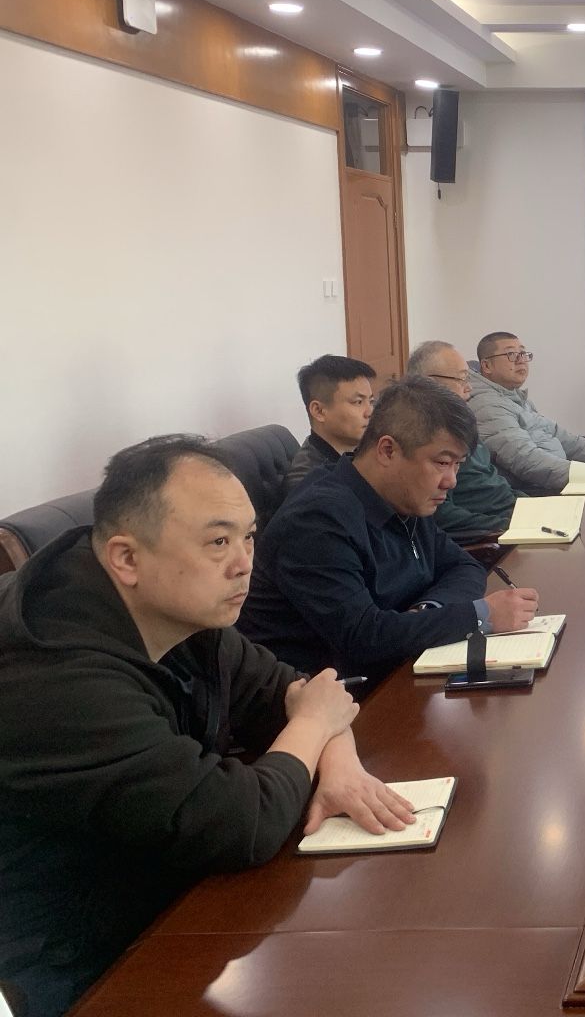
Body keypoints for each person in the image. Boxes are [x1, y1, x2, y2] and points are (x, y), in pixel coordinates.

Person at [0, 436, 414, 1017]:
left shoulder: (175, 605)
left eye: (248, 536)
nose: (245, 563)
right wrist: (315, 724)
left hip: (167, 891)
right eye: (218, 541)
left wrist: (337, 758)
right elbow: (242, 823)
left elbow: (303, 692)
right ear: (126, 558)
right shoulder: (56, 679)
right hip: (71, 964)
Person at [239, 377, 540, 680]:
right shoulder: (316, 520)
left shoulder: (405, 497)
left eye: (457, 464)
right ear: (387, 450)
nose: (451, 481)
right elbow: (363, 638)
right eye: (442, 462)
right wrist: (480, 616)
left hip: (399, 667)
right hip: (334, 690)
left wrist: (425, 612)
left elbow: (464, 566)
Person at [407, 340, 524, 540]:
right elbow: (443, 515)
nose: (469, 388)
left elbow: (494, 481)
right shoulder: (423, 435)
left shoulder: (461, 422)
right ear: (430, 382)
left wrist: (533, 507)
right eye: (461, 379)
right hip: (495, 531)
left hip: (515, 513)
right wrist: (509, 526)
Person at [468, 332, 585, 493]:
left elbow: (561, 436)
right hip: (537, 492)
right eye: (511, 354)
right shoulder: (487, 405)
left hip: (558, 482)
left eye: (523, 353)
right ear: (487, 366)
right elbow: (526, 461)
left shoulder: (514, 396)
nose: (521, 360)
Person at [284, 354, 376, 491]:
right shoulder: (311, 484)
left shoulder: (357, 455)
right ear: (319, 411)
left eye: (371, 401)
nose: (370, 412)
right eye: (358, 402)